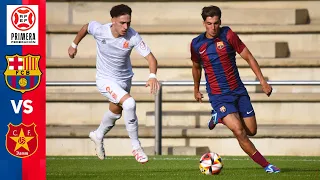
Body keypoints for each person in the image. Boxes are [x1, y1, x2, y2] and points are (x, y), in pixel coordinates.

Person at [190, 5, 280, 173]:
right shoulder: (197, 44)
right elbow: (196, 67)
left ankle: (219, 118)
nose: (213, 27)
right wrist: (196, 88)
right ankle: (267, 165)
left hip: (238, 91)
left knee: (251, 131)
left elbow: (248, 56)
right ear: (204, 24)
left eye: (216, 23)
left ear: (220, 22)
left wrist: (263, 81)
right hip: (219, 96)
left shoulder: (228, 34)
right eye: (209, 23)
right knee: (239, 131)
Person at [68, 4, 160, 164]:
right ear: (113, 21)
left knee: (116, 111)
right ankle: (136, 148)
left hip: (124, 80)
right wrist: (74, 44)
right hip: (105, 79)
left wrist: (152, 76)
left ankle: (98, 135)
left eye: (128, 23)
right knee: (129, 104)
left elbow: (151, 58)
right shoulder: (100, 30)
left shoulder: (133, 36)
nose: (126, 27)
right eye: (122, 23)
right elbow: (86, 27)